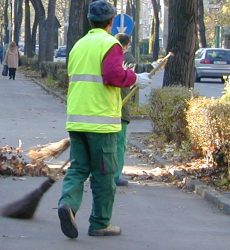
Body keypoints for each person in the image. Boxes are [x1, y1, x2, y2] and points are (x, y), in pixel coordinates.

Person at [57, 0, 151, 239]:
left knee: (78, 168)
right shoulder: (111, 43)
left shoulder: (79, 44)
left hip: (77, 119)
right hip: (102, 121)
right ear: (111, 22)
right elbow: (112, 75)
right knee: (104, 174)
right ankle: (100, 223)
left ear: (90, 21)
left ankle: (67, 203)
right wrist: (135, 78)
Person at [113, 33, 159, 186]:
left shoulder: (107, 55)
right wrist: (152, 66)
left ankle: (100, 174)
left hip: (104, 107)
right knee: (119, 144)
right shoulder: (123, 55)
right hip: (118, 107)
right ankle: (114, 176)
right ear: (127, 45)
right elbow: (135, 69)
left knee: (105, 144)